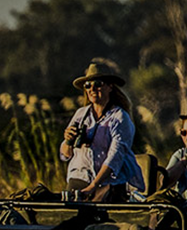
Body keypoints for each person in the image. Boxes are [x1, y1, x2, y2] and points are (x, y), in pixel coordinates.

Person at [59, 63, 145, 202]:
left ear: (110, 87)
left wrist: (94, 185)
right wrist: (68, 141)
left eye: (98, 84)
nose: (92, 89)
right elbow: (66, 154)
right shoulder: (81, 114)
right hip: (79, 178)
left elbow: (116, 155)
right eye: (88, 85)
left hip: (109, 182)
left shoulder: (120, 117)